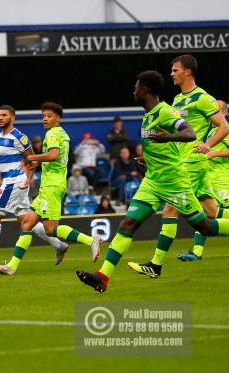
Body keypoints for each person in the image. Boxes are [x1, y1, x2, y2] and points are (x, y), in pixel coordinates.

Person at [77, 70, 229, 293]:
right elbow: (164, 149)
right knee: (128, 224)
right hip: (152, 181)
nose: (134, 91)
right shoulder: (148, 116)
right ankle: (102, 277)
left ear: (145, 90)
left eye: (136, 87)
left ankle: (151, 266)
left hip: (174, 182)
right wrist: (147, 161)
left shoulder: (166, 112)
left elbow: (190, 134)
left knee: (205, 226)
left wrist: (168, 136)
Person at [134, 55, 229, 267]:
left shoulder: (203, 98)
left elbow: (224, 126)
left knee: (170, 208)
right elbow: (173, 137)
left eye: (175, 70)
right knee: (211, 212)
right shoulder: (177, 100)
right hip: (181, 161)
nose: (171, 74)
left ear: (188, 72)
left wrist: (209, 145)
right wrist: (151, 158)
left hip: (192, 161)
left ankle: (155, 265)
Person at [0, 102, 101, 276]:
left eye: (49, 116)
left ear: (57, 118)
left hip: (52, 186)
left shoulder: (52, 133)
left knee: (50, 228)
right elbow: (51, 159)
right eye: (43, 116)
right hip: (50, 185)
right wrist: (33, 169)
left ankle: (90, 240)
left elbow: (53, 155)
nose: (45, 119)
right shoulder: (62, 133)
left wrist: (32, 157)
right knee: (26, 224)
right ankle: (12, 266)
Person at [0, 105, 69, 270]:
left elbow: (31, 158)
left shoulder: (19, 137)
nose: (0, 118)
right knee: (26, 221)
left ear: (12, 118)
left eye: (4, 115)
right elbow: (3, 160)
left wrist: (29, 177)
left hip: (14, 182)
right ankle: (59, 245)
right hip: (13, 182)